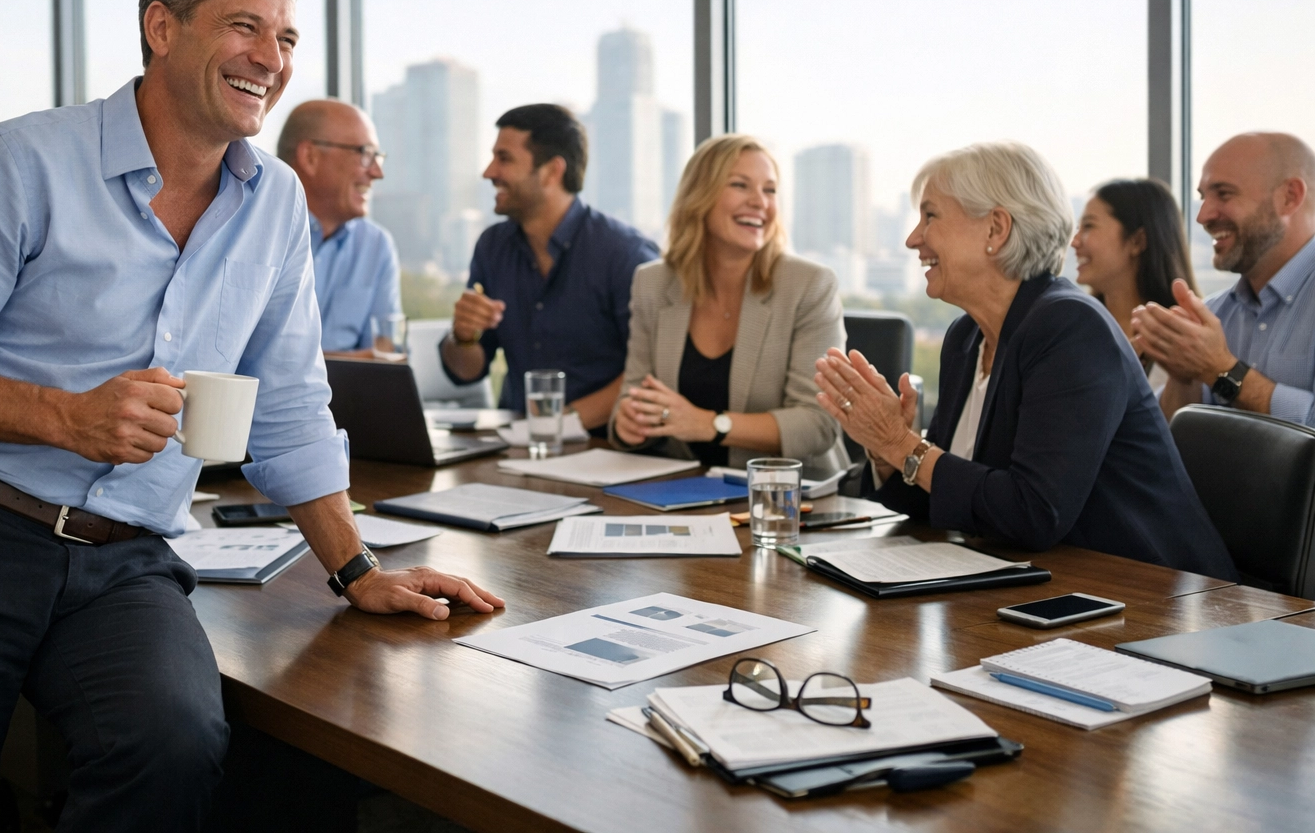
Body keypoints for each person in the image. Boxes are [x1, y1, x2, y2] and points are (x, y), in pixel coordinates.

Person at [0, 0, 502, 833]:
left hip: (124, 558)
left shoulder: (273, 206)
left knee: (177, 746)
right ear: (161, 27)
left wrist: (356, 565)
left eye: (287, 38)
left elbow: (292, 406)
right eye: (243, 27)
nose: (270, 58)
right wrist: (63, 418)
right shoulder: (14, 163)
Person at [815, 141, 1235, 579]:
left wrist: (903, 445)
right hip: (1045, 591)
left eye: (931, 216)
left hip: (1156, 599)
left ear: (996, 229)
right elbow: (947, 501)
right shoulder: (966, 337)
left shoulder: (1071, 327)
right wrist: (889, 452)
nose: (913, 238)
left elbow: (1034, 513)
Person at [608, 134, 848, 471]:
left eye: (770, 190)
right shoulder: (652, 283)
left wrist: (708, 423)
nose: (760, 202)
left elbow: (816, 424)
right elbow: (632, 396)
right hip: (685, 492)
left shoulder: (809, 285)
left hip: (791, 501)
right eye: (740, 185)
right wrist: (629, 423)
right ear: (698, 197)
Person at [439, 104, 659, 430]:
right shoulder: (492, 247)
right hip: (518, 446)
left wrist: (558, 425)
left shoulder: (625, 254)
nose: (489, 172)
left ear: (552, 172)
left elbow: (650, 372)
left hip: (609, 449)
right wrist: (462, 336)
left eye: (505, 158)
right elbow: (468, 370)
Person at [1133, 132, 1315, 427]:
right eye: (1203, 197)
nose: (1203, 216)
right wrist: (1182, 373)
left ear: (1289, 197)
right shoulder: (1214, 314)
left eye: (1224, 194)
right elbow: (1169, 444)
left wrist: (1221, 370)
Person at [276, 98, 402, 354]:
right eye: (366, 154)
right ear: (310, 157)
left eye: (378, 157)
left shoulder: (376, 246)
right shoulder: (253, 233)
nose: (378, 173)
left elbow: (386, 355)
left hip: (353, 396)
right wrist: (351, 361)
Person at [1071, 177, 1198, 391]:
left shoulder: (1179, 339)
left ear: (1137, 241)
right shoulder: (1075, 329)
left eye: (1089, 226)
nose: (1074, 242)